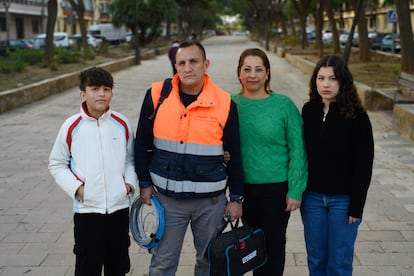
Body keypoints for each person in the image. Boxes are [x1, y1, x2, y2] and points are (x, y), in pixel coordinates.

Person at [134, 40, 244, 275]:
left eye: (194, 62)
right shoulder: (156, 95)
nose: (187, 68)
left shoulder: (224, 103)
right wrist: (144, 183)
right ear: (175, 66)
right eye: (181, 63)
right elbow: (141, 142)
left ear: (206, 64)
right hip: (167, 201)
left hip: (211, 204)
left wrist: (236, 198)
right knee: (163, 262)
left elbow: (234, 154)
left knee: (209, 263)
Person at [48, 67, 137, 276]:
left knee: (118, 267)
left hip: (118, 210)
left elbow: (131, 159)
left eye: (107, 89)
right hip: (87, 212)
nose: (101, 94)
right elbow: (57, 163)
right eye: (95, 89)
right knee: (88, 267)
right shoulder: (71, 126)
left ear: (112, 93)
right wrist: (78, 189)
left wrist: (128, 186)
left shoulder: (122, 123)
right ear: (83, 93)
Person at [231, 48, 308, 276]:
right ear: (239, 72)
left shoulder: (283, 105)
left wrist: (296, 189)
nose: (252, 75)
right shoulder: (229, 105)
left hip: (276, 190)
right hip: (243, 189)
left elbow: (299, 149)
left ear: (267, 73)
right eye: (247, 69)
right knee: (252, 249)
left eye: (258, 69)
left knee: (273, 248)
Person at [301, 55, 374, 276]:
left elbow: (364, 163)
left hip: (343, 202)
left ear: (342, 82)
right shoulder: (309, 111)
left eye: (332, 78)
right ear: (315, 81)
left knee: (339, 263)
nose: (326, 84)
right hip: (312, 199)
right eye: (321, 78)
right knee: (316, 260)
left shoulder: (357, 117)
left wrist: (357, 205)